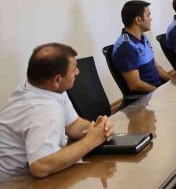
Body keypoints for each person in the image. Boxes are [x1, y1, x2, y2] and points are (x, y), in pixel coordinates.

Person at [0, 44, 115, 182]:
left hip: (32, 171)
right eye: (74, 70)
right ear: (57, 80)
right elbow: (41, 166)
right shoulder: (42, 110)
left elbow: (72, 124)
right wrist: (91, 141)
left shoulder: (43, 86)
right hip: (13, 182)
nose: (78, 72)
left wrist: (97, 129)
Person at [112, 0, 172, 94]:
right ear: (138, 20)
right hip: (147, 96)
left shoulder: (142, 37)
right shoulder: (126, 48)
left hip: (157, 88)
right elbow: (136, 85)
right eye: (148, 15)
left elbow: (155, 66)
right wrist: (161, 93)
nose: (150, 19)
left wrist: (173, 81)